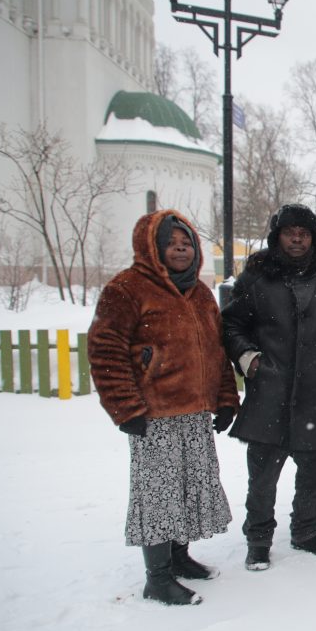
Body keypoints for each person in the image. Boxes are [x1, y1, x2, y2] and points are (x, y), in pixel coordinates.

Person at [89, 209, 238, 606]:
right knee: (159, 496)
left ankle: (179, 557)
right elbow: (105, 351)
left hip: (193, 413)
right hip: (152, 416)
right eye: (171, 243)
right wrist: (126, 408)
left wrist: (225, 398)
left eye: (186, 243)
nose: (181, 249)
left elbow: (216, 351)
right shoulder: (127, 289)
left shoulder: (200, 294)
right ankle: (157, 578)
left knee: (189, 488)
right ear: (151, 247)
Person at [221, 204, 316, 569]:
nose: (297, 239)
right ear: (277, 236)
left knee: (313, 475)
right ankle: (258, 539)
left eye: (304, 232)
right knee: (263, 479)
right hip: (269, 395)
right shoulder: (257, 279)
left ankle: (305, 532)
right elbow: (231, 325)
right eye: (289, 232)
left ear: (313, 239)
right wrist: (250, 359)